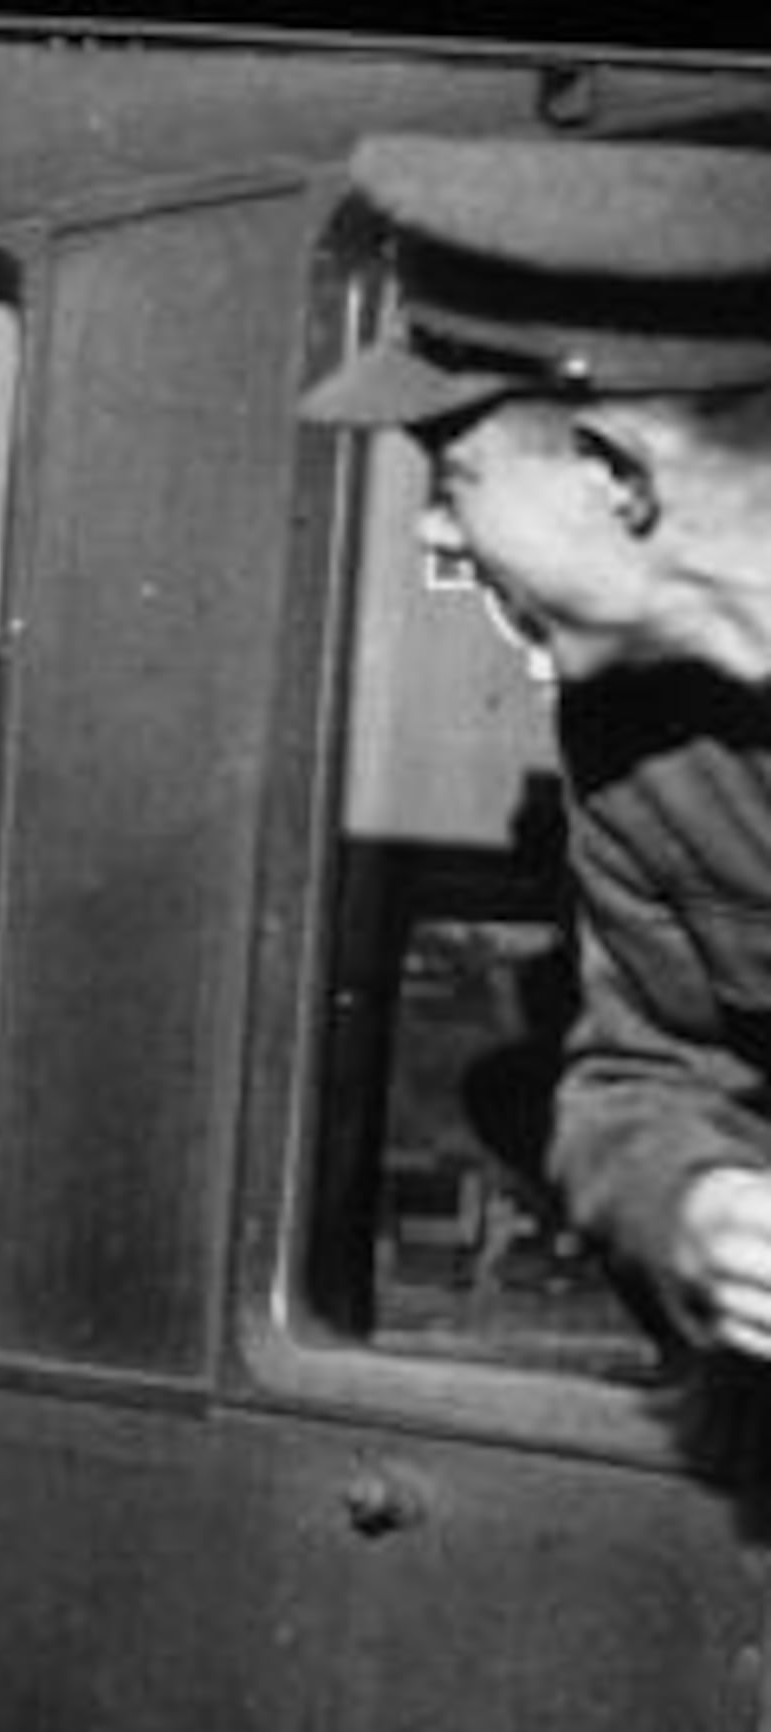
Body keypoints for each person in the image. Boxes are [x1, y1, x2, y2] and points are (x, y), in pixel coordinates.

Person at [301, 136, 771, 1359]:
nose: (444, 534)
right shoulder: (638, 738)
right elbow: (639, 1078)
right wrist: (698, 1211)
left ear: (617, 475)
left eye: (453, 478)